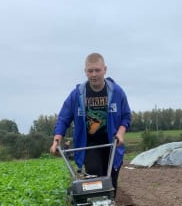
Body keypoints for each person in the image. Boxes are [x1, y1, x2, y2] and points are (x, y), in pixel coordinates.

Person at [50, 52, 131, 192]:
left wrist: (121, 133)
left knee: (111, 183)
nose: (94, 74)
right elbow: (64, 118)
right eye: (90, 71)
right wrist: (56, 140)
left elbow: (126, 116)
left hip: (112, 143)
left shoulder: (116, 92)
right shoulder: (77, 94)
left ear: (105, 70)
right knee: (95, 180)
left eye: (97, 70)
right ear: (85, 72)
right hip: (89, 145)